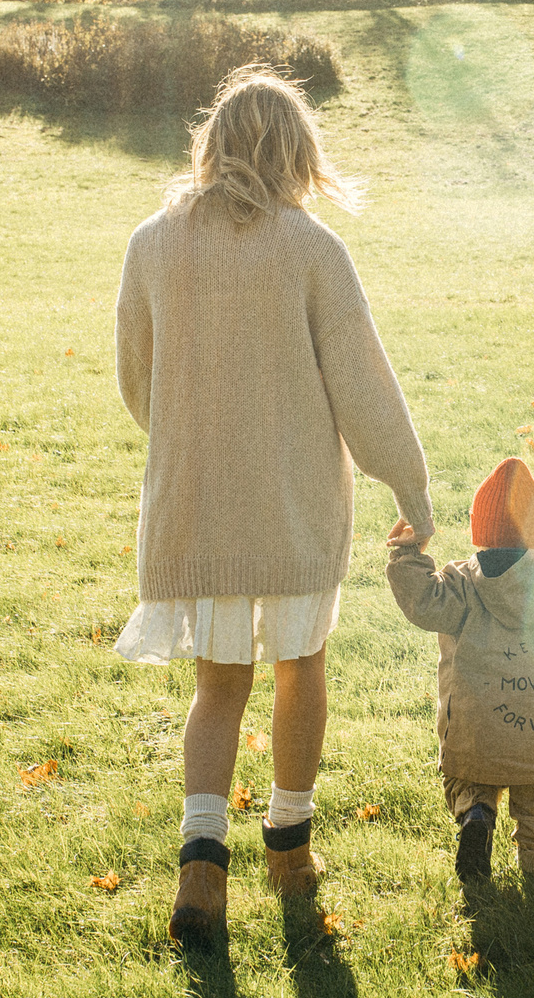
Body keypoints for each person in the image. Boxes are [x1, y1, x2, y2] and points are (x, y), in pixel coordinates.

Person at [112, 65, 434, 950]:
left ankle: (199, 868)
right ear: (297, 154)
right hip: (292, 505)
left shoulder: (152, 243)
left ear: (213, 147)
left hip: (197, 504)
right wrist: (410, 484)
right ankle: (290, 845)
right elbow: (362, 384)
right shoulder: (311, 249)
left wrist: (184, 435)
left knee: (218, 686)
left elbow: (136, 379)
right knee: (302, 666)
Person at [386, 457, 534, 882]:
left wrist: (409, 553)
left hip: (476, 729)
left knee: (470, 778)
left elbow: (422, 600)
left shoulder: (462, 586)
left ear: (480, 530)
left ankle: (476, 814)